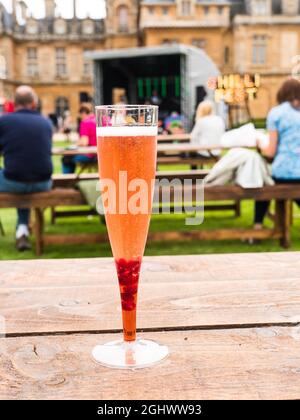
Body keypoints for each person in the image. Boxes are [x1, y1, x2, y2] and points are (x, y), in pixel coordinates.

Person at [0, 86, 53, 251]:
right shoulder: (46, 122)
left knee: (18, 175)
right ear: (34, 103)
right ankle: (21, 230)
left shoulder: (4, 121)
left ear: (14, 103)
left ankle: (22, 230)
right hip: (43, 183)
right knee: (23, 175)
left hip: (13, 181)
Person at [254, 78, 300, 227]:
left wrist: (261, 146)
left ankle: (257, 227)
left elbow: (271, 152)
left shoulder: (277, 113)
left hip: (285, 171)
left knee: (264, 187)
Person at [62, 103, 97, 174]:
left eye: (80, 115)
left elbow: (84, 142)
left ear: (83, 113)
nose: (81, 118)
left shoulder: (85, 123)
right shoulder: (98, 120)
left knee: (66, 158)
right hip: (100, 155)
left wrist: (75, 144)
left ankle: (67, 182)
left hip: (90, 155)